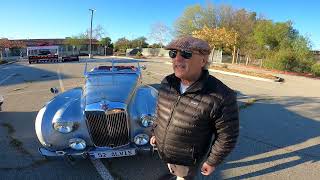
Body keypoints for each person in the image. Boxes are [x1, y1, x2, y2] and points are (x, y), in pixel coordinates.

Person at [150, 36, 239, 180]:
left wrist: (212, 161)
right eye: (173, 53)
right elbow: (160, 110)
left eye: (185, 54)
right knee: (172, 171)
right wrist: (154, 132)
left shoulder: (222, 95)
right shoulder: (167, 82)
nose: (177, 59)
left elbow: (227, 136)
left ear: (203, 61)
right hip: (165, 151)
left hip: (188, 160)